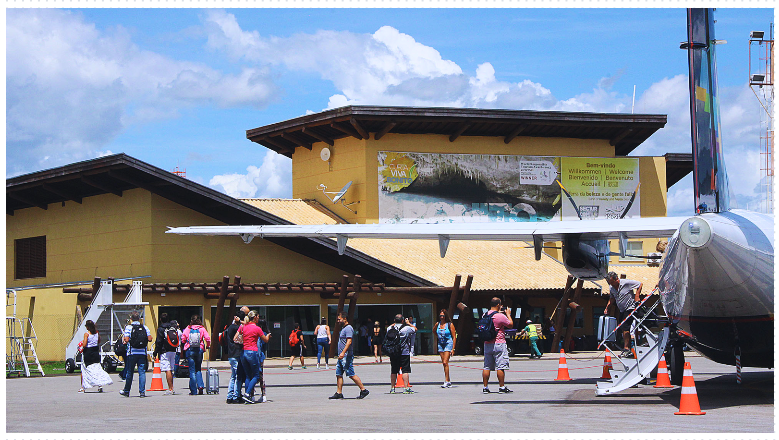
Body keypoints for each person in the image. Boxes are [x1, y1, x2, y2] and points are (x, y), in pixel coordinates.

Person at [329, 311, 369, 400]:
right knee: (338, 374)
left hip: (346, 356)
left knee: (350, 374)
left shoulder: (348, 328)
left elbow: (349, 341)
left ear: (345, 318)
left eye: (339, 319)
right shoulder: (343, 328)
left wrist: (343, 352)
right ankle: (339, 392)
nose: (338, 321)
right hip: (341, 356)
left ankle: (363, 390)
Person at [604, 272, 643, 357]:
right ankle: (627, 347)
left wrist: (637, 295)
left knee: (625, 327)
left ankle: (626, 349)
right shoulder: (612, 288)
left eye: (612, 282)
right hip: (622, 310)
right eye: (609, 283)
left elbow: (640, 284)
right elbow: (612, 299)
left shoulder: (626, 283)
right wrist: (607, 307)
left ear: (616, 279)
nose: (611, 284)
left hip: (630, 308)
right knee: (623, 328)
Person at [481, 297, 513, 394]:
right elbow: (510, 325)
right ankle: (502, 387)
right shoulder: (500, 316)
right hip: (499, 343)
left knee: (487, 366)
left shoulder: (484, 315)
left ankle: (485, 387)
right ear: (498, 305)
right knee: (500, 366)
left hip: (487, 343)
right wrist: (508, 314)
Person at [238, 311, 270, 403]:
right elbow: (265, 340)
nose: (258, 319)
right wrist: (268, 335)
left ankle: (248, 396)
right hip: (252, 352)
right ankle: (247, 394)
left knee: (248, 376)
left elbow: (237, 337)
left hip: (243, 352)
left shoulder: (243, 327)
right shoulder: (257, 328)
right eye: (258, 317)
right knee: (256, 375)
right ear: (255, 317)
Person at [119, 311, 152, 398]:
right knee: (142, 372)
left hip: (132, 353)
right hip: (142, 353)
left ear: (131, 319)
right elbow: (150, 338)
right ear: (139, 319)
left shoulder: (129, 327)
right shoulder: (145, 327)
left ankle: (126, 391)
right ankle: (142, 392)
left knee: (130, 372)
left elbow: (126, 339)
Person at [78, 320, 112, 393]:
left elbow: (84, 344)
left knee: (84, 369)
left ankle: (83, 387)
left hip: (88, 353)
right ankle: (100, 385)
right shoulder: (97, 333)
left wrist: (81, 344)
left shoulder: (86, 334)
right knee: (97, 368)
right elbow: (98, 341)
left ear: (87, 327)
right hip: (95, 352)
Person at [387, 314, 417, 394]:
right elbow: (415, 329)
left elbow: (388, 331)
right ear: (403, 320)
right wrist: (408, 323)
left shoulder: (390, 328)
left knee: (394, 370)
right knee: (405, 370)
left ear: (394, 320)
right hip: (404, 351)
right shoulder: (406, 328)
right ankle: (406, 388)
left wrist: (394, 323)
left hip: (393, 352)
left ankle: (392, 388)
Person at [182, 315, 211, 395]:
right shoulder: (202, 328)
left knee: (192, 371)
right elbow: (208, 338)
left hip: (190, 350)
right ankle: (201, 386)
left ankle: (193, 390)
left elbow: (183, 338)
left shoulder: (188, 328)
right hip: (199, 350)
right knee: (198, 369)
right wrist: (208, 345)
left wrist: (185, 343)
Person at [153, 313, 179, 395]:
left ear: (160, 319)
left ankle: (170, 389)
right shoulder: (172, 327)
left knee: (167, 369)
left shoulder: (161, 329)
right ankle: (171, 387)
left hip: (165, 351)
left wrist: (155, 352)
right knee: (171, 369)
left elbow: (159, 342)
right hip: (173, 349)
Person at [225, 310, 246, 404]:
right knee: (238, 376)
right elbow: (245, 327)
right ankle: (236, 396)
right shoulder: (237, 328)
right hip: (236, 354)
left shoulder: (230, 327)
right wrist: (241, 322)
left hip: (231, 354)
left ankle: (230, 396)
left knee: (233, 376)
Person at [435, 310, 456, 388]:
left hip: (448, 343)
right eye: (440, 316)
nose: (441, 317)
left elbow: (454, 337)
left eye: (443, 316)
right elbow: (434, 331)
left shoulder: (450, 325)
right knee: (444, 363)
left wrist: (453, 348)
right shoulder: (437, 324)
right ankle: (448, 379)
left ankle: (446, 381)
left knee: (445, 362)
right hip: (441, 343)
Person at [256, 316, 270, 402]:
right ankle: (263, 394)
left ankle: (252, 393)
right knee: (261, 376)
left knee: (252, 375)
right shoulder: (265, 334)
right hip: (261, 356)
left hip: (254, 355)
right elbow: (265, 346)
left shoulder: (256, 332)